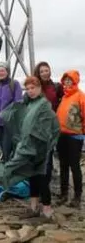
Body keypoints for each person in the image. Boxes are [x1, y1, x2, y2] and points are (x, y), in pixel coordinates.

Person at [0, 76, 60, 219]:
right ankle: (33, 207)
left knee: (43, 179)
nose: (30, 91)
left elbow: (51, 129)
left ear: (39, 88)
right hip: (28, 148)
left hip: (41, 149)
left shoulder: (44, 105)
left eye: (33, 88)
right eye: (28, 88)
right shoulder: (28, 104)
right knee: (32, 177)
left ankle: (47, 209)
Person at [56, 70, 85, 208]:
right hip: (62, 135)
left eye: (70, 80)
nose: (67, 82)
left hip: (75, 136)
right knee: (63, 166)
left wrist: (82, 132)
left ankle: (77, 197)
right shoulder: (64, 98)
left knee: (74, 166)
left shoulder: (81, 96)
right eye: (65, 80)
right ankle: (63, 194)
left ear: (75, 81)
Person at [33, 61, 64, 184]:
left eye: (47, 70)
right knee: (44, 158)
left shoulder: (56, 87)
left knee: (53, 157)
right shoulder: (35, 88)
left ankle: (49, 185)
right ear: (38, 74)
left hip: (55, 126)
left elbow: (64, 102)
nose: (45, 73)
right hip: (40, 128)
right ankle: (44, 187)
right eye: (42, 71)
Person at [0, 61, 23, 162]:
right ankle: (9, 172)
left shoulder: (14, 84)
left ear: (7, 71)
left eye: (2, 70)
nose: (0, 73)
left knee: (7, 150)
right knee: (4, 149)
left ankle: (10, 172)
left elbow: (18, 104)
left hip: (9, 124)